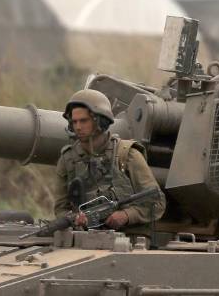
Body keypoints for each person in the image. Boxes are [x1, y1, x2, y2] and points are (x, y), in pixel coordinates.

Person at [53, 89, 165, 232]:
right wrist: (74, 219)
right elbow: (61, 209)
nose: (78, 127)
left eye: (83, 121)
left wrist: (126, 215)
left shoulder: (128, 155)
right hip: (85, 239)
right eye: (74, 122)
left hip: (130, 241)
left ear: (100, 121)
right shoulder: (67, 159)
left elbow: (157, 202)